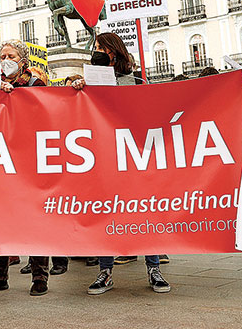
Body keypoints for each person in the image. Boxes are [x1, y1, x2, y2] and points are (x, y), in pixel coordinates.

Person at [69, 33, 170, 296]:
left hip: (134, 157)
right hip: (103, 159)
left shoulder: (135, 82)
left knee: (144, 212)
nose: (97, 51)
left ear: (114, 51)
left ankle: (154, 268)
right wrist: (79, 91)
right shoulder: (89, 82)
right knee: (106, 213)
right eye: (96, 48)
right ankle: (105, 271)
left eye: (102, 47)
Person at [0, 40, 53, 297]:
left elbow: (46, 112)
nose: (5, 60)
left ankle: (39, 276)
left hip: (31, 160)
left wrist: (16, 97)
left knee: (36, 219)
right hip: (2, 159)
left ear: (23, 60)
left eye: (10, 55)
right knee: (1, 220)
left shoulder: (36, 83)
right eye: (1, 56)